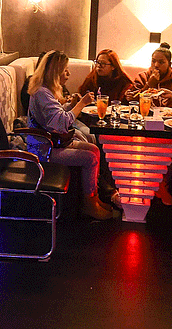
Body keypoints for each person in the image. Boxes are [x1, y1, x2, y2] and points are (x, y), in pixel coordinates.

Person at [28, 50, 117, 220]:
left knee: (94, 149)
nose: (68, 74)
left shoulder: (45, 90)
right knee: (89, 158)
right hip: (43, 150)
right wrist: (82, 104)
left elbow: (57, 116)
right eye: (65, 70)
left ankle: (94, 198)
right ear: (55, 72)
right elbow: (61, 123)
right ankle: (88, 204)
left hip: (54, 142)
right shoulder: (42, 93)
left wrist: (72, 104)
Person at [126, 42, 172, 108]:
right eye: (153, 61)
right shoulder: (142, 77)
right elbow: (133, 102)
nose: (156, 65)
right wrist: (149, 85)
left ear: (169, 64)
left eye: (161, 62)